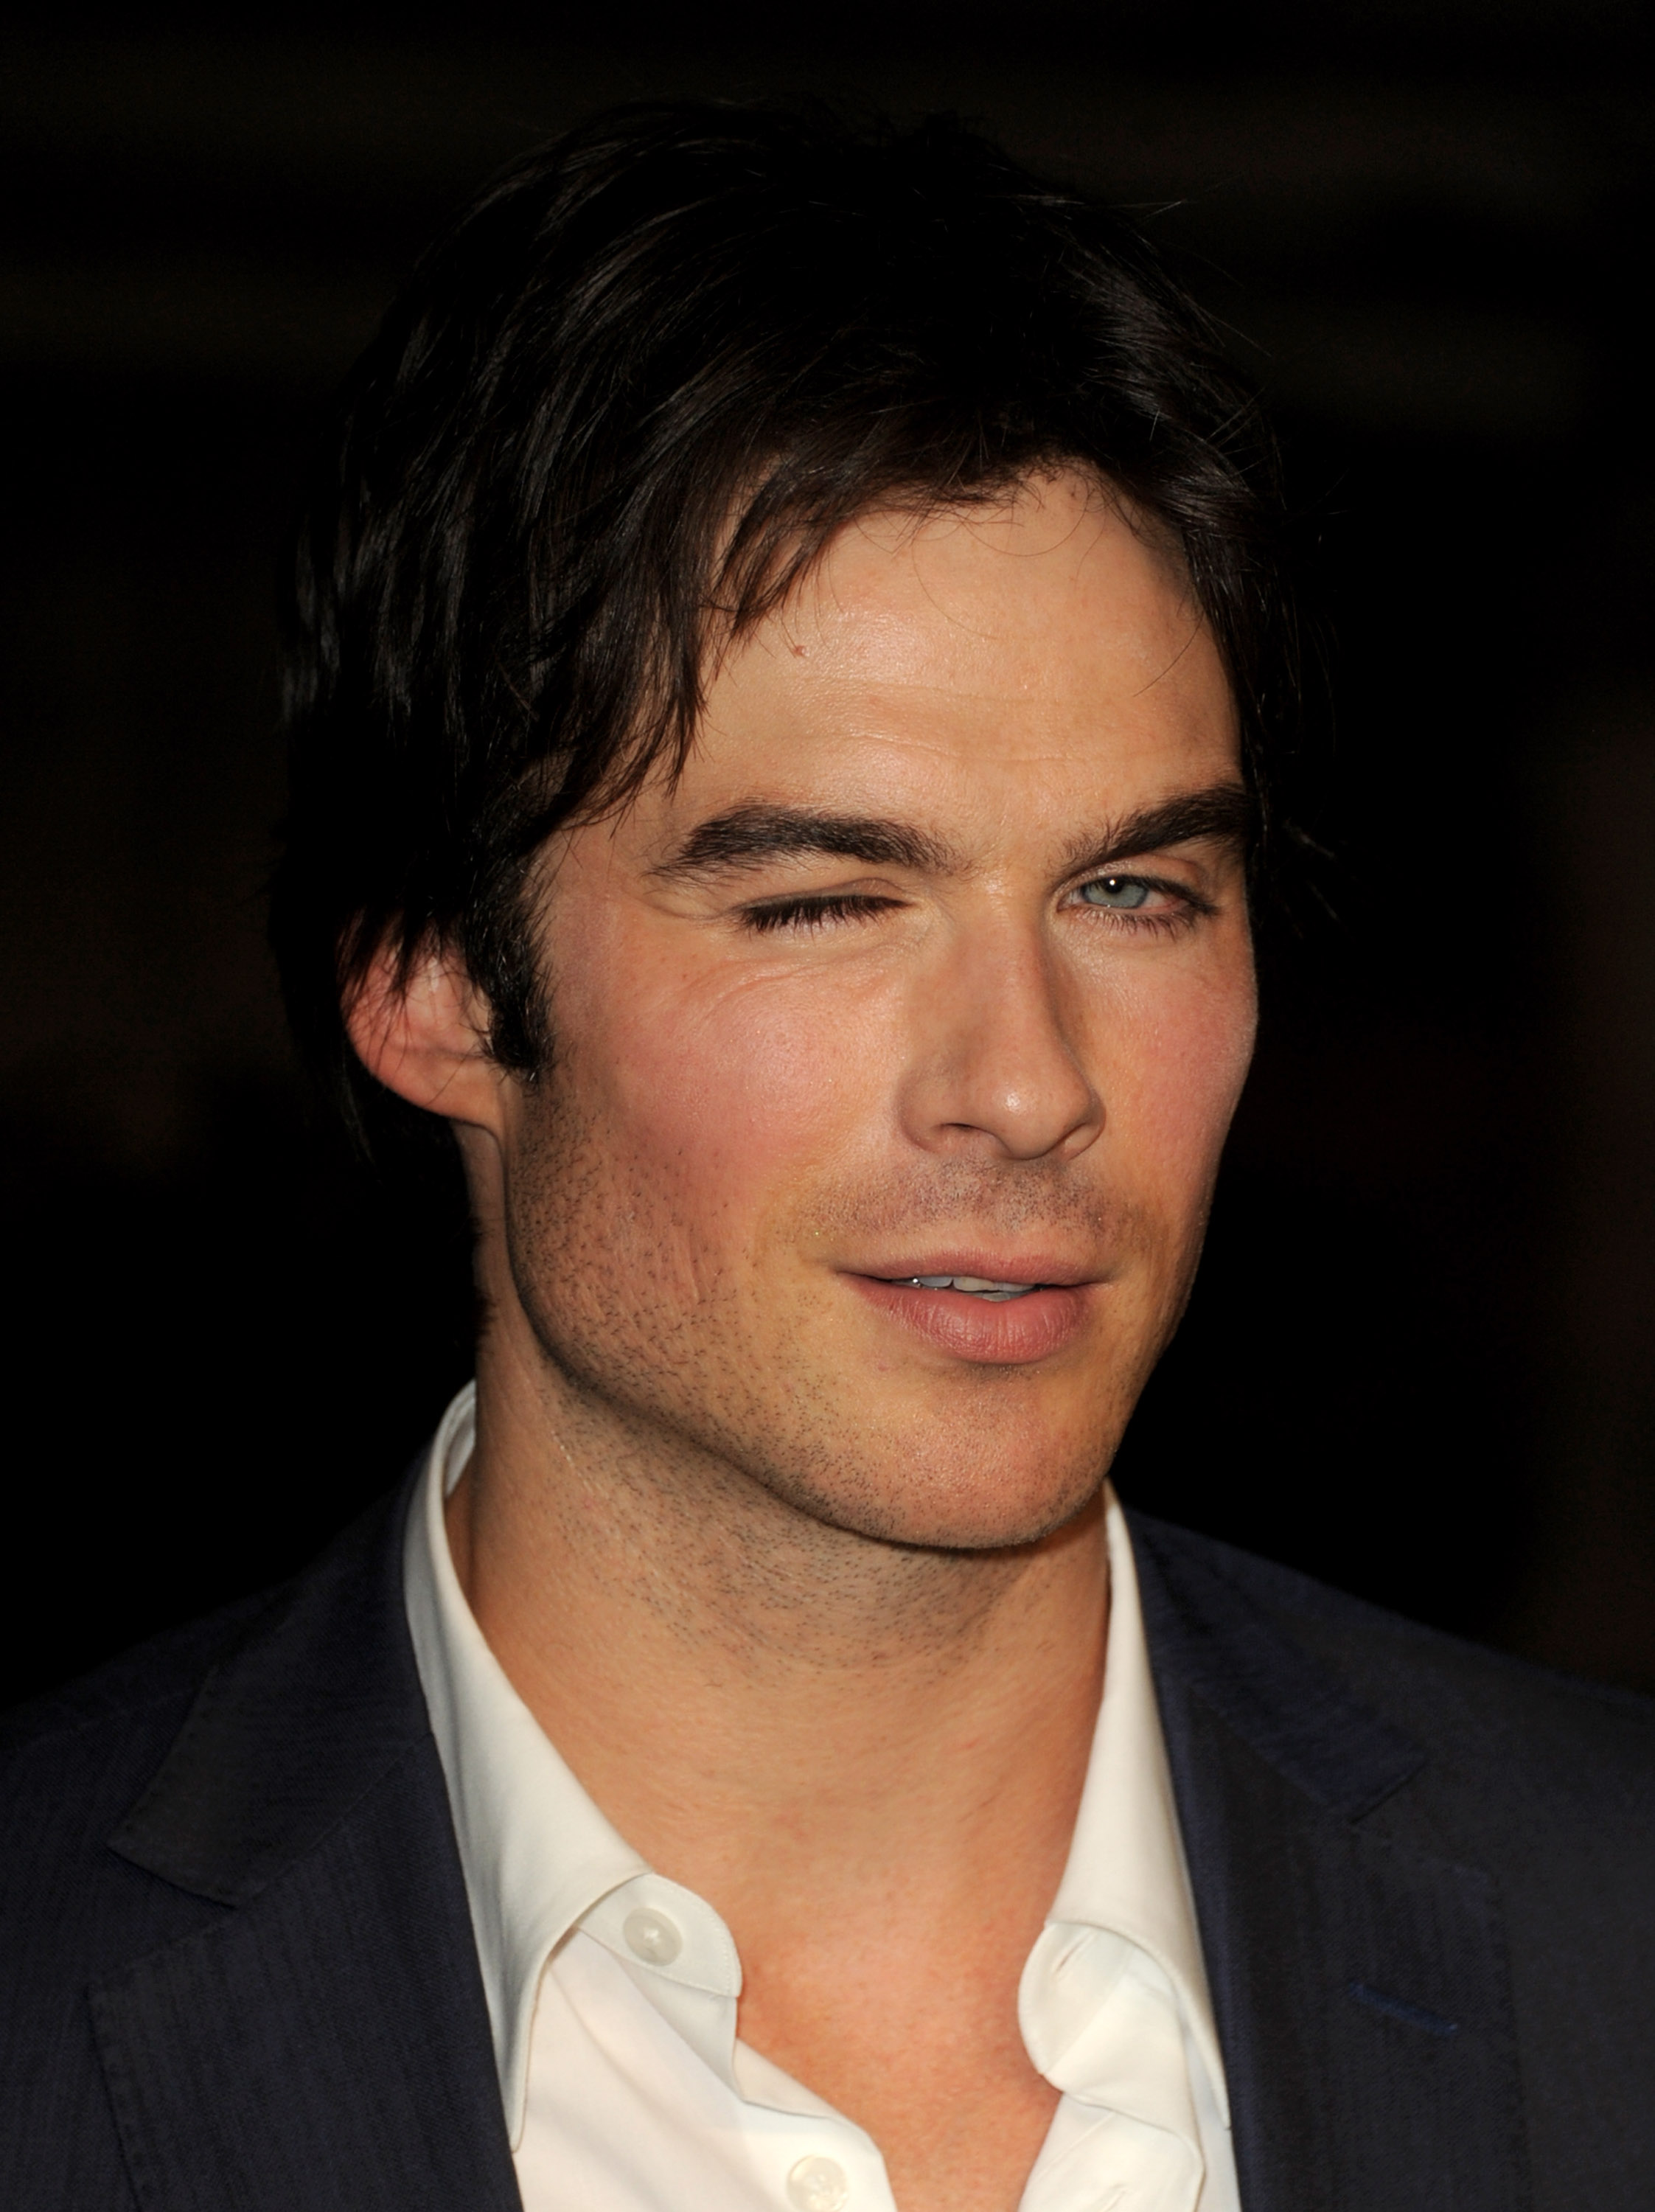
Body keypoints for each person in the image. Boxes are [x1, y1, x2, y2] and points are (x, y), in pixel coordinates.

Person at [2, 101, 1650, 2212]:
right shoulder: (43, 2013)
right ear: (431, 985)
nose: (1029, 1083)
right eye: (822, 903)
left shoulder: (1616, 1946)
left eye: (1134, 893)